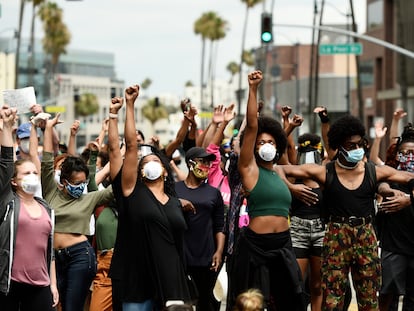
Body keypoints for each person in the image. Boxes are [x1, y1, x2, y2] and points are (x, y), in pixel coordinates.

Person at [281, 114, 414, 310]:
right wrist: (292, 188)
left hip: (365, 234)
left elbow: (409, 177)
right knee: (332, 300)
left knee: (369, 298)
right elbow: (278, 169)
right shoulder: (324, 171)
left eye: (360, 144)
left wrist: (409, 198)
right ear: (339, 147)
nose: (357, 150)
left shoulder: (373, 171)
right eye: (351, 146)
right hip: (336, 234)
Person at [108, 85, 192, 310]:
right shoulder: (132, 191)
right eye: (144, 164)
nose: (150, 164)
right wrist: (129, 106)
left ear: (165, 170)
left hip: (171, 282)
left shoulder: (175, 202)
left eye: (155, 161)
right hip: (138, 281)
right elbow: (129, 147)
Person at [228, 70, 305, 311]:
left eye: (271, 142)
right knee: (253, 304)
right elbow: (252, 125)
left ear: (278, 145)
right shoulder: (249, 168)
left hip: (283, 245)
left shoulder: (280, 172)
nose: (266, 146)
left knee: (289, 301)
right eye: (261, 142)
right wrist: (253, 89)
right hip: (255, 247)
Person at [41, 113, 114, 311]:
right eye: (76, 183)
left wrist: (121, 154)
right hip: (52, 258)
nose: (81, 187)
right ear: (63, 181)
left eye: (84, 183)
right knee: (56, 305)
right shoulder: (50, 192)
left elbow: (117, 186)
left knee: (73, 307)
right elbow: (47, 161)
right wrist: (48, 128)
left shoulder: (90, 198)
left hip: (80, 256)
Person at [0, 106, 59, 311]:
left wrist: (53, 283)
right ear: (14, 182)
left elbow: (48, 251)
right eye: (26, 174)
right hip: (10, 285)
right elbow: (7, 162)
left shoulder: (45, 207)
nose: (33, 176)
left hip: (41, 286)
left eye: (35, 172)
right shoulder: (8, 201)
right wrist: (7, 127)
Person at [176, 146, 226, 311]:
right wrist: (177, 203)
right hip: (180, 255)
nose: (206, 166)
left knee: (206, 300)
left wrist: (219, 252)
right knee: (183, 301)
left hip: (206, 256)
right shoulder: (174, 190)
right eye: (202, 161)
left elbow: (219, 225)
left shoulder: (213, 193)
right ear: (190, 163)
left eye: (208, 163)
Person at [377, 123, 414, 311]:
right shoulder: (391, 173)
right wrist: (388, 190)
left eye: (412, 153)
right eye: (404, 153)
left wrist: (409, 200)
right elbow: (379, 182)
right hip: (393, 246)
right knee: (387, 296)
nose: (408, 157)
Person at [290, 133, 325, 311]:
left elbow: (333, 153)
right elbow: (281, 161)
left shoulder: (324, 177)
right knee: (296, 282)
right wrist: (288, 126)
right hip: (298, 230)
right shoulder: (293, 177)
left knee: (317, 285)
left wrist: (324, 121)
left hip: (321, 230)